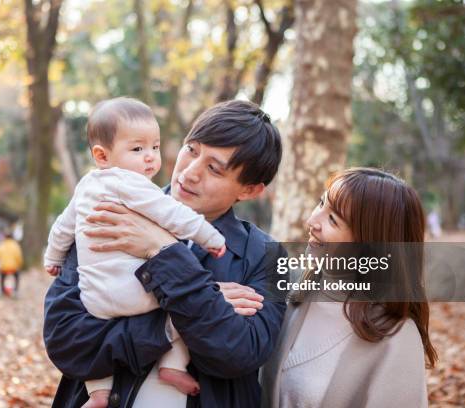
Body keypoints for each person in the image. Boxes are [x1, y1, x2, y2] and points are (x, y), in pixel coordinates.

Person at [43, 99, 285, 407]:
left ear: (249, 190)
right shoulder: (110, 210)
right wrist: (190, 310)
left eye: (213, 168)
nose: (190, 172)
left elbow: (238, 353)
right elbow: (66, 339)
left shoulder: (271, 257)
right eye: (191, 150)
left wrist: (162, 250)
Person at [261, 168, 438, 408]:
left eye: (333, 219)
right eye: (320, 203)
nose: (311, 222)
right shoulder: (288, 290)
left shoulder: (396, 338)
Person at [0, 232, 24, 296]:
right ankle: (16, 290)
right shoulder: (15, 245)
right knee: (16, 276)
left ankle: (2, 290)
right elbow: (19, 256)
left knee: (2, 277)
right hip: (14, 267)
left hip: (4, 267)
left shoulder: (1, 245)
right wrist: (20, 265)